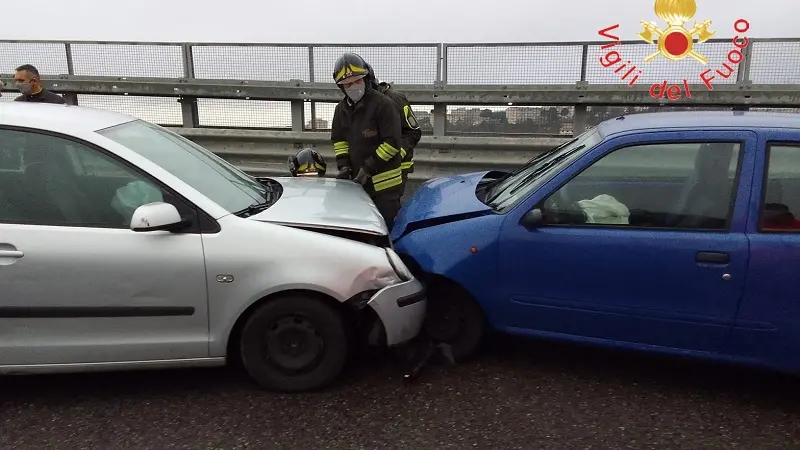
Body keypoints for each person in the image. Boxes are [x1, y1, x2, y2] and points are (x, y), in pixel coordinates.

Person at [330, 53, 405, 230]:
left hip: (386, 187)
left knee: (386, 231)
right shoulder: (340, 110)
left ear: (366, 78)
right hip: (359, 185)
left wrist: (368, 168)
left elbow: (392, 143)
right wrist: (344, 166)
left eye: (357, 80)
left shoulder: (384, 104)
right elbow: (340, 141)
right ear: (342, 87)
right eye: (348, 84)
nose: (354, 86)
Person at [364, 61, 422, 194]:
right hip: (374, 165)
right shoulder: (362, 102)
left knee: (388, 209)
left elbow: (413, 133)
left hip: (396, 169)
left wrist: (395, 154)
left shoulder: (395, 99)